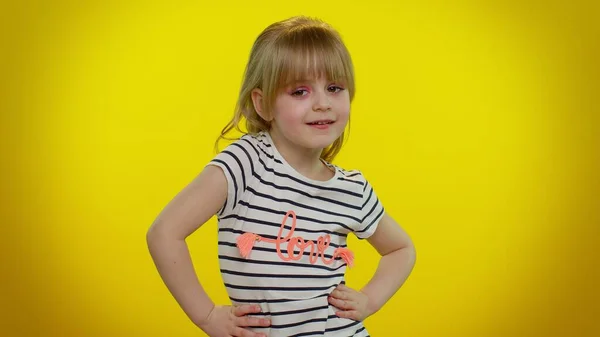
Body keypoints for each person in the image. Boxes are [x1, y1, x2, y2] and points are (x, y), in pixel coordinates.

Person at [146, 15, 416, 337]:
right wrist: (206, 316)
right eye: (300, 91)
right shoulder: (246, 165)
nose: (322, 104)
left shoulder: (351, 189)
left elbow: (401, 249)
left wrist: (369, 300)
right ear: (263, 104)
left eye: (334, 88)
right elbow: (164, 233)